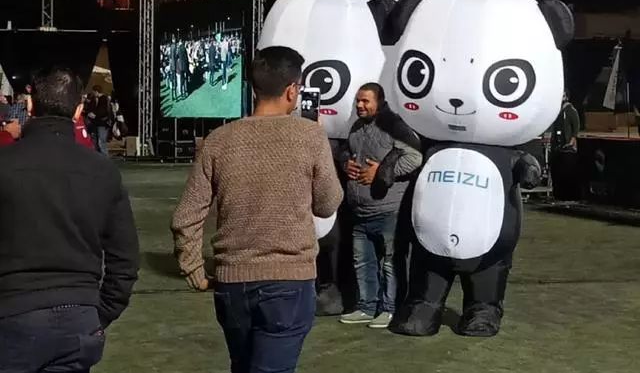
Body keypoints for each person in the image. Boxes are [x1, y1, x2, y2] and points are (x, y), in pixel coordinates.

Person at [171, 46, 343, 373]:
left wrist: (193, 267)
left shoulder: (218, 140)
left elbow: (186, 216)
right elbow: (327, 203)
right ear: (292, 90)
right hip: (289, 280)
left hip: (232, 283)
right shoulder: (310, 135)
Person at [0, 66, 139, 372]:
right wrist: (99, 313)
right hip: (78, 318)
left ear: (30, 105)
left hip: (12, 314)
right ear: (78, 111)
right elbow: (125, 259)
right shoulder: (102, 171)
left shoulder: (5, 165)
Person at [338, 83, 423, 329]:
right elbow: (347, 151)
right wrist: (346, 163)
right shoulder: (356, 127)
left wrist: (384, 171)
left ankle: (390, 309)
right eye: (357, 100)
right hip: (360, 211)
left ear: (380, 101)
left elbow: (415, 157)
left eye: (365, 101)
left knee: (390, 263)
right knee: (363, 262)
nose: (359, 105)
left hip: (389, 210)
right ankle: (366, 307)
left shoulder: (395, 126)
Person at [550, 90, 581, 200]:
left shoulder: (570, 110)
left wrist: (571, 141)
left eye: (562, 95)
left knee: (567, 171)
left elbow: (576, 126)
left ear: (566, 96)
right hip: (558, 146)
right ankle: (558, 194)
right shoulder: (557, 110)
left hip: (567, 146)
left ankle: (569, 195)